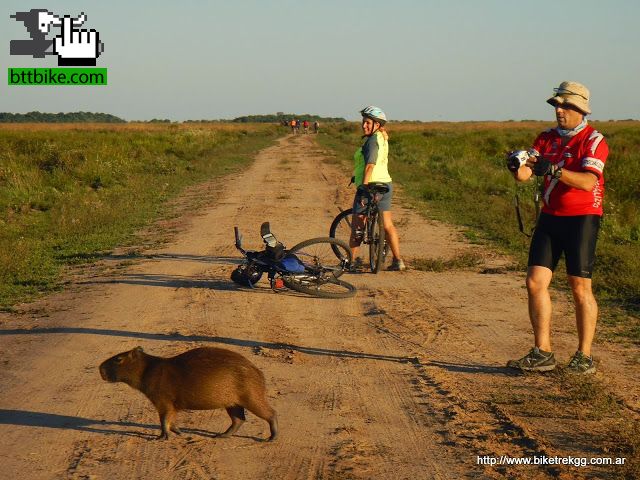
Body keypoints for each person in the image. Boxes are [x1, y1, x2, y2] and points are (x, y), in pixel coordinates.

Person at [506, 81, 609, 374]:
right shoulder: (546, 138)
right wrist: (517, 165)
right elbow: (525, 175)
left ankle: (584, 354)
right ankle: (543, 352)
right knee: (534, 282)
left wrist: (554, 170)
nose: (559, 111)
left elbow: (589, 182)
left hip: (582, 219)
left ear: (580, 109)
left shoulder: (593, 140)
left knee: (579, 287)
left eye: (565, 106)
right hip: (550, 217)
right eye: (556, 106)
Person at [350, 106, 405, 271]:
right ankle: (398, 261)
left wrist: (364, 187)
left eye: (367, 122)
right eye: (363, 122)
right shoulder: (382, 136)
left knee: (358, 225)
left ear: (377, 124)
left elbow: (370, 166)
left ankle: (351, 262)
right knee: (387, 224)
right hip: (385, 185)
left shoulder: (372, 141)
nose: (364, 125)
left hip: (370, 185)